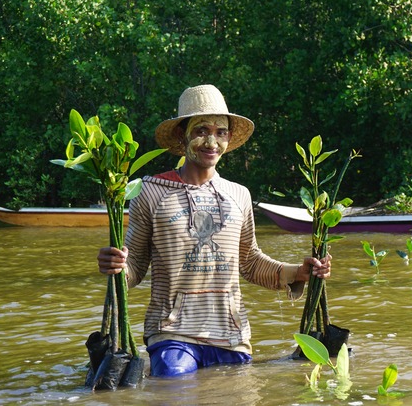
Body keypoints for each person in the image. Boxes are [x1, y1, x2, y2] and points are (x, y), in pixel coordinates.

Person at [96, 84, 331, 377]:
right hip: (172, 334)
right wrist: (116, 266)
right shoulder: (150, 191)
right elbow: (135, 267)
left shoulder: (239, 194)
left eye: (221, 132)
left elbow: (249, 262)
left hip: (232, 335)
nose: (211, 141)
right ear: (183, 136)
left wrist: (299, 272)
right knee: (174, 386)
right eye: (201, 131)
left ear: (229, 139)